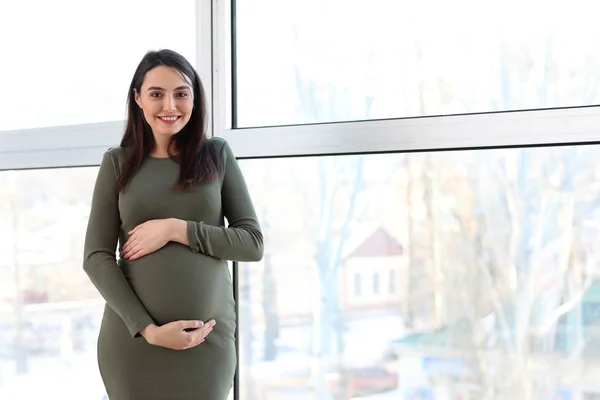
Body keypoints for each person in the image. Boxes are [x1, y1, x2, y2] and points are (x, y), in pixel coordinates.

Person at [83, 49, 264, 400]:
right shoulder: (117, 163)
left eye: (181, 93)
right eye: (156, 94)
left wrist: (177, 229)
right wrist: (148, 330)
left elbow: (251, 243)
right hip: (133, 344)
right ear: (137, 98)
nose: (170, 105)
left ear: (194, 98)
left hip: (206, 344)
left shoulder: (217, 155)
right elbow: (95, 257)